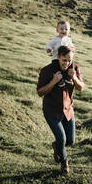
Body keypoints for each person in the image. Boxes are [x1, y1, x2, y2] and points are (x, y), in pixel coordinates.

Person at [37, 45, 84, 174]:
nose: (67, 63)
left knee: (70, 141)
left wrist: (74, 78)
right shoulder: (47, 70)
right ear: (58, 57)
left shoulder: (74, 68)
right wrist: (53, 81)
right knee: (62, 139)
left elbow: (81, 87)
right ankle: (64, 164)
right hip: (51, 111)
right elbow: (40, 92)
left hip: (68, 110)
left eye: (70, 60)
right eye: (64, 60)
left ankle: (56, 146)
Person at [46, 20, 75, 87]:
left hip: (67, 57)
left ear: (69, 31)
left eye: (66, 29)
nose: (64, 31)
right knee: (55, 69)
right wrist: (49, 48)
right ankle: (60, 81)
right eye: (61, 29)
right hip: (56, 57)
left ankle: (69, 78)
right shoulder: (55, 39)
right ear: (57, 30)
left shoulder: (68, 39)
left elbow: (72, 46)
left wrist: (72, 49)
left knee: (71, 66)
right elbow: (49, 45)